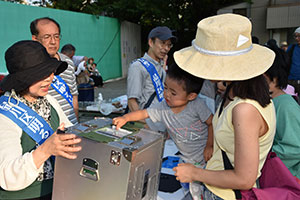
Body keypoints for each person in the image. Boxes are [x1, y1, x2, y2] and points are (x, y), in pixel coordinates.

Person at [172, 14, 276, 200]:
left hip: (227, 194)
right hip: (216, 186)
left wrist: (194, 173)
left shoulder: (244, 110)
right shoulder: (233, 91)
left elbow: (244, 178)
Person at [0, 40, 81, 200]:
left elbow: (72, 133)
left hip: (59, 188)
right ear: (21, 79)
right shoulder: (5, 114)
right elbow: (7, 175)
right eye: (40, 74)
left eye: (50, 71)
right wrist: (45, 150)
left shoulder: (51, 100)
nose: (50, 78)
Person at [114, 63, 213, 164]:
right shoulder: (163, 107)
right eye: (165, 88)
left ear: (191, 96)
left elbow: (212, 123)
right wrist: (125, 118)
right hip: (186, 158)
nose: (167, 94)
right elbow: (144, 113)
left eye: (173, 93)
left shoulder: (197, 105)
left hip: (206, 155)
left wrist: (210, 145)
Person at [127, 26, 176, 132]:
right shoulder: (138, 66)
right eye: (162, 43)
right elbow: (132, 102)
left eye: (169, 45)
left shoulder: (160, 67)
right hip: (146, 126)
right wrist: (146, 126)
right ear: (151, 42)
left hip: (160, 125)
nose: (166, 48)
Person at [30, 17, 79, 124]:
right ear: (35, 39)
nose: (53, 42)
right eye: (47, 37)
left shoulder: (68, 62)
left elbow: (74, 95)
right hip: (47, 131)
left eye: (56, 36)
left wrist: (76, 123)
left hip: (71, 127)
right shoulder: (29, 66)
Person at [263, 44, 300, 180]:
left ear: (274, 79)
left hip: (284, 180)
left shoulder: (285, 106)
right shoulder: (271, 101)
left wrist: (262, 158)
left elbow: (295, 147)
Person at [287, 27, 300, 102]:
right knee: (292, 101)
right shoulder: (292, 48)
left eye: (299, 36)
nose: (297, 38)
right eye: (296, 36)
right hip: (291, 80)